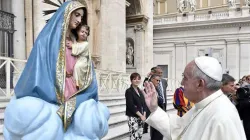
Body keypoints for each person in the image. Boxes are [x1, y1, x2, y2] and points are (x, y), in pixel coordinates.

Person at [3, 1, 109, 140]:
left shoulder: (76, 43)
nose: (78, 20)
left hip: (74, 87)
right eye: (76, 15)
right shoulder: (45, 41)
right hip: (53, 92)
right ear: (66, 14)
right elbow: (38, 70)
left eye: (81, 17)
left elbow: (86, 65)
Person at [143, 56, 246, 140]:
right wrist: (154, 109)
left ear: (200, 84)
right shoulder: (204, 105)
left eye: (185, 77)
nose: (182, 82)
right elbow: (178, 129)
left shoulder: (222, 117)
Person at [69, 24, 91, 90]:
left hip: (82, 61)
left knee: (77, 67)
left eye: (86, 33)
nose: (84, 34)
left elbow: (78, 49)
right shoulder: (75, 41)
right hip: (77, 59)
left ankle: (78, 85)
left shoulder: (86, 44)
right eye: (82, 31)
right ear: (78, 32)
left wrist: (72, 46)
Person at [125, 73, 146, 140]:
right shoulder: (129, 91)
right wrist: (141, 115)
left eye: (138, 79)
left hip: (141, 117)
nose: (137, 80)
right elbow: (131, 106)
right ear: (131, 80)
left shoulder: (140, 91)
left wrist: (144, 114)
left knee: (139, 135)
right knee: (134, 136)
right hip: (133, 117)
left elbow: (144, 104)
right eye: (134, 79)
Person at [149, 74, 165, 140]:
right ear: (152, 79)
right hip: (154, 116)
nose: (158, 82)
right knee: (156, 135)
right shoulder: (148, 89)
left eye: (159, 80)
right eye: (157, 80)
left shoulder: (157, 88)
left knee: (160, 134)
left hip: (159, 115)